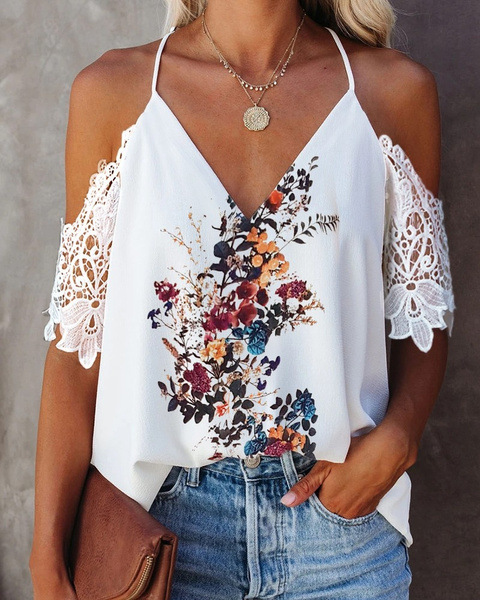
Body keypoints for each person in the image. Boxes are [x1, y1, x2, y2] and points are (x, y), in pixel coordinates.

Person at [30, 0, 455, 598]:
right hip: (157, 535)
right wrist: (46, 562)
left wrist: (401, 437)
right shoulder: (115, 93)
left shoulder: (391, 92)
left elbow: (423, 307)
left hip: (341, 534)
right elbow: (78, 349)